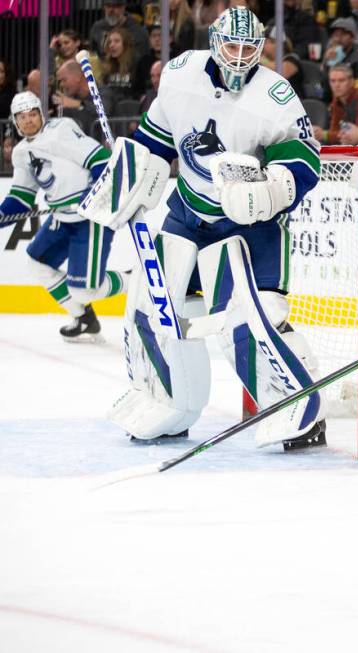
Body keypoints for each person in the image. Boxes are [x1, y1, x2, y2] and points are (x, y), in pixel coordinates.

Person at [101, 6, 326, 450]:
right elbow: (157, 137)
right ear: (213, 41)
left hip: (248, 227)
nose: (241, 57)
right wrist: (132, 170)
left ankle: (297, 408)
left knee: (248, 320)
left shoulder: (275, 95)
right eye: (232, 45)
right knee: (153, 306)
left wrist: (273, 190)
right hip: (187, 210)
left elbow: (304, 162)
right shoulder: (180, 74)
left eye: (250, 48)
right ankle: (169, 402)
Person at [0, 91, 123, 342]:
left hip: (90, 217)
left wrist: (92, 195)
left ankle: (132, 279)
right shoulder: (21, 153)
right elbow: (20, 200)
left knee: (85, 291)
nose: (29, 121)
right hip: (62, 218)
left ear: (42, 114)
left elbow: (101, 160)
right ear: (15, 121)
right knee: (37, 264)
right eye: (22, 117)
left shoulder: (61, 130)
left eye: (33, 114)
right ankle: (83, 317)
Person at [53, 61, 100, 135]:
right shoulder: (68, 102)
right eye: (60, 81)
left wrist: (78, 104)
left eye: (64, 80)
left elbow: (104, 111)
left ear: (78, 77)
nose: (61, 85)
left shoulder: (103, 92)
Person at [323, 63, 358, 144]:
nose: (336, 85)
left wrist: (325, 135)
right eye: (333, 81)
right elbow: (334, 131)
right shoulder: (336, 101)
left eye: (341, 80)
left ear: (352, 82)